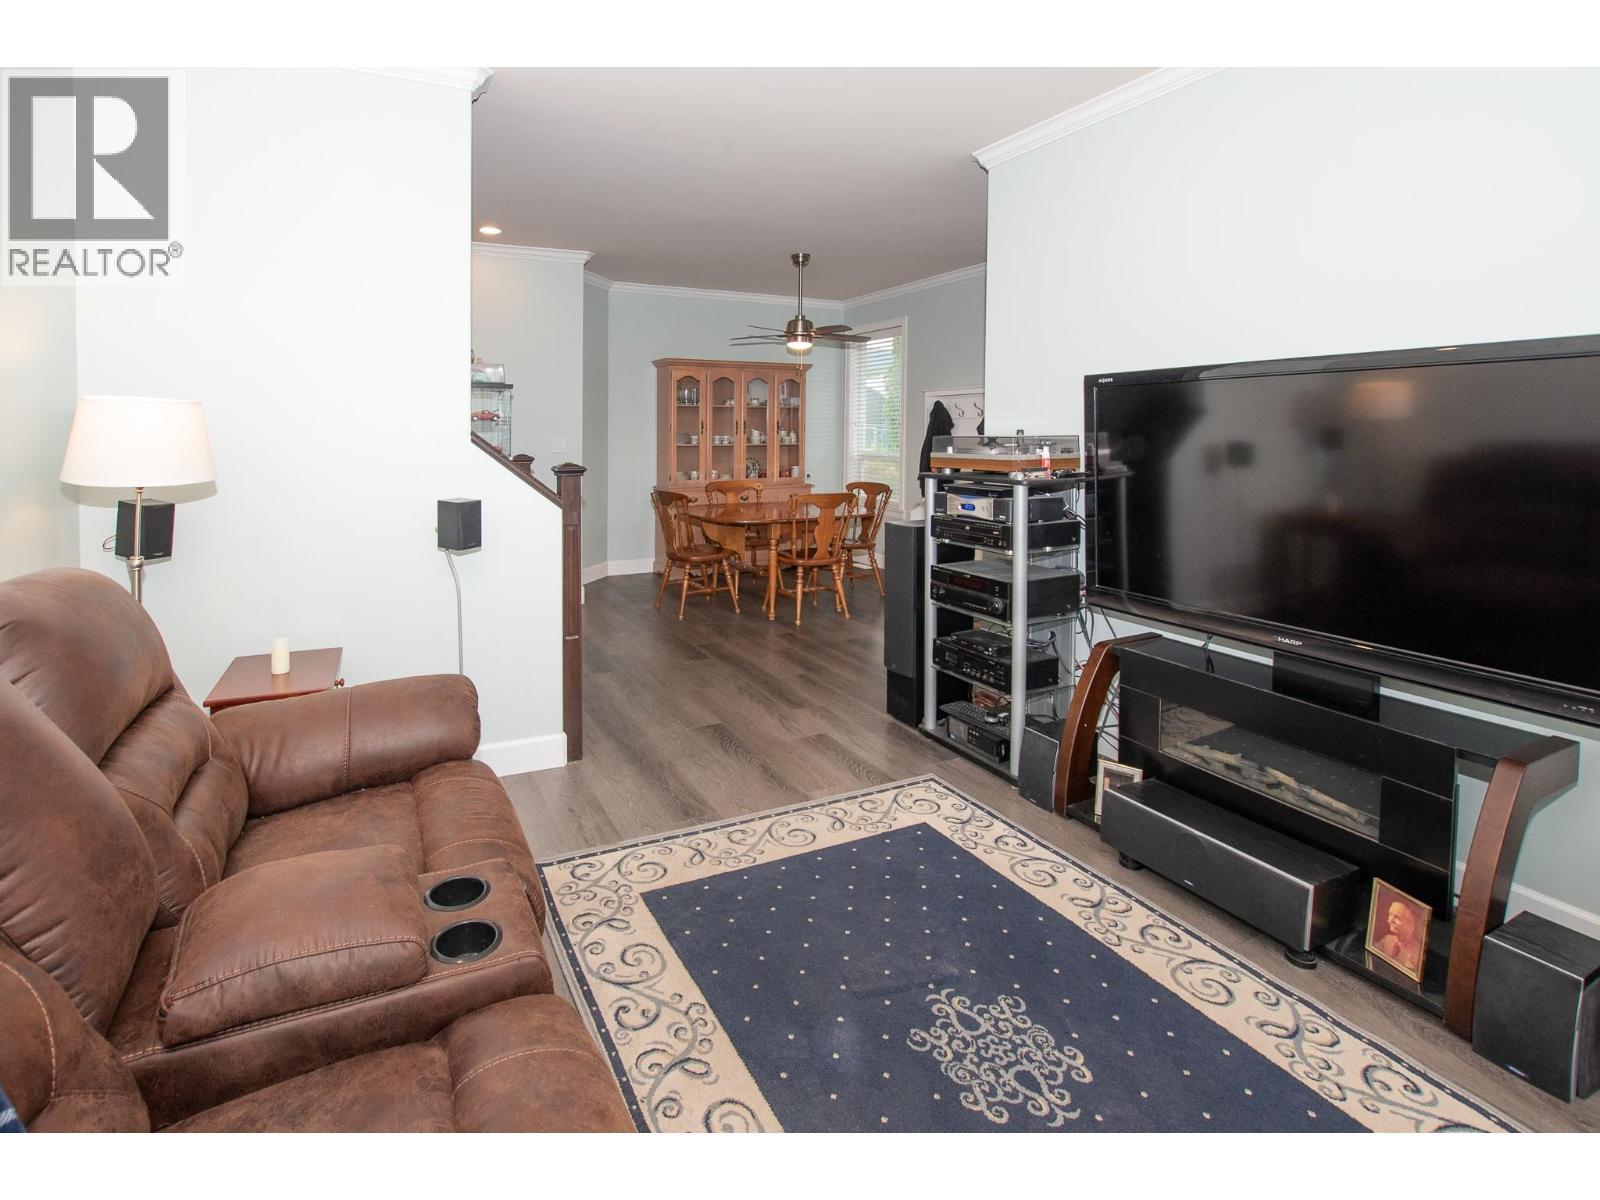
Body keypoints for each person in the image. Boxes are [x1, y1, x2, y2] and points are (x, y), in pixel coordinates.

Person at [1375, 898, 1422, 974]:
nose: (1390, 920)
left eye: (1397, 917)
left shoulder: (1416, 951)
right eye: (1390, 914)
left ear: (1411, 926)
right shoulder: (1387, 939)